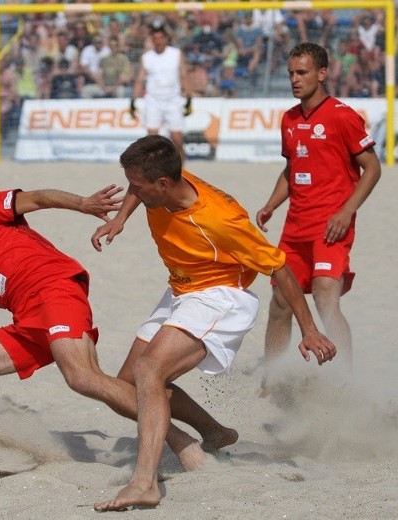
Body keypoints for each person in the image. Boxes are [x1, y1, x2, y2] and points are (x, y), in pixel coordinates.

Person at [91, 135, 337, 511]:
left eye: (137, 186)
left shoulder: (221, 221)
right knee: (127, 385)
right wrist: (121, 219)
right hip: (181, 289)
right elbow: (136, 189)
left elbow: (281, 268)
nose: (132, 190)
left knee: (150, 370)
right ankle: (214, 431)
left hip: (220, 297)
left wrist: (309, 329)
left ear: (162, 185)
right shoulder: (161, 182)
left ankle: (145, 482)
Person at [256, 42, 381, 394]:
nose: (295, 80)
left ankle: (345, 382)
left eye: (302, 73)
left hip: (331, 226)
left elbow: (372, 168)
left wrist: (347, 210)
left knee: (326, 295)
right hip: (295, 227)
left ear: (322, 73)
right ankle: (272, 381)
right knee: (280, 302)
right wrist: (271, 204)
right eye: (291, 74)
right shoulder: (289, 119)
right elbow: (291, 169)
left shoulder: (342, 115)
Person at [130, 19, 191, 162]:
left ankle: (182, 168)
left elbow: (184, 75)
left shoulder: (176, 54)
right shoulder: (146, 57)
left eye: (160, 37)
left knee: (177, 138)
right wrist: (132, 100)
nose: (158, 41)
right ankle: (154, 170)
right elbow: (140, 79)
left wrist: (189, 98)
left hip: (173, 99)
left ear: (166, 38)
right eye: (155, 38)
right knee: (151, 139)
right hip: (153, 100)